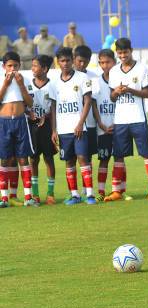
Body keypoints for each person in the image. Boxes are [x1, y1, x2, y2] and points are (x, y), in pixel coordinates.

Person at [106, 37, 148, 201]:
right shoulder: (114, 71)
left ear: (131, 51)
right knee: (118, 155)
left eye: (125, 52)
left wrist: (129, 90)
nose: (123, 56)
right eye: (120, 53)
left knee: (146, 154)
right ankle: (117, 191)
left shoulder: (141, 69)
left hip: (138, 118)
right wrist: (117, 92)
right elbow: (112, 97)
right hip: (121, 120)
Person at [49, 47, 95, 205]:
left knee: (83, 157)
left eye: (68, 60)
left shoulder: (82, 78)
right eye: (62, 60)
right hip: (63, 129)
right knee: (69, 161)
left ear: (72, 60)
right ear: (58, 62)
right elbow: (53, 107)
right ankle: (74, 195)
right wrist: (54, 130)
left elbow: (87, 101)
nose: (65, 63)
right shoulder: (54, 83)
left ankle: (90, 194)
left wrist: (81, 123)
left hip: (79, 128)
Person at [0, 51, 35, 208]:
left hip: (21, 122)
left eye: (15, 65)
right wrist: (6, 85)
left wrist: (20, 85)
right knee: (5, 159)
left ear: (20, 66)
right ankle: (4, 198)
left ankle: (28, 196)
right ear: (3, 66)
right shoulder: (1, 79)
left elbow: (30, 103)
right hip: (4, 122)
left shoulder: (24, 79)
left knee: (23, 158)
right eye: (9, 66)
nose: (12, 69)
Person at [29, 54, 57, 204]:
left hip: (46, 126)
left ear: (45, 68)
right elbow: (24, 104)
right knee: (33, 159)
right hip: (32, 125)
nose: (33, 68)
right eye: (32, 65)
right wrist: (29, 113)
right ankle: (35, 195)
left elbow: (54, 109)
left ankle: (50, 194)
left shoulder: (53, 85)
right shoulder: (28, 84)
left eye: (35, 65)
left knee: (48, 158)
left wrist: (54, 131)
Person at [91, 49, 117, 201]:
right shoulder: (97, 82)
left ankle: (118, 190)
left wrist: (118, 122)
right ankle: (100, 192)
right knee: (104, 159)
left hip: (119, 127)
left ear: (114, 62)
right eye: (101, 62)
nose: (104, 65)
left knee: (119, 158)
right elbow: (93, 104)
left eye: (107, 62)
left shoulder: (120, 79)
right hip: (103, 129)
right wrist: (100, 123)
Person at [74, 45, 99, 188]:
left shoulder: (93, 77)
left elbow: (93, 102)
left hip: (89, 124)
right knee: (72, 158)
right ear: (74, 59)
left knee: (87, 157)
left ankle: (86, 189)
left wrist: (99, 122)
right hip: (70, 125)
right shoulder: (64, 77)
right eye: (79, 61)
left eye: (85, 61)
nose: (82, 64)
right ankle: (74, 192)